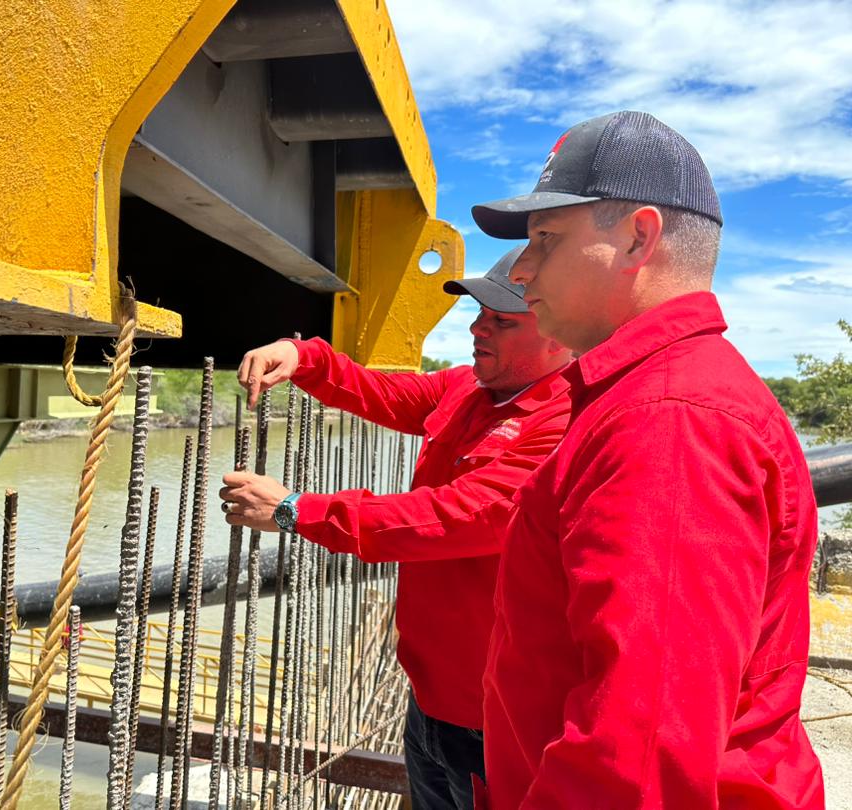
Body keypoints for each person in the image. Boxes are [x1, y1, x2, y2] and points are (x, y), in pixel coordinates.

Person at [471, 110, 824, 808]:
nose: (521, 267)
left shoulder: (668, 421)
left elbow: (635, 760)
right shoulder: (650, 394)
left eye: (546, 237)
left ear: (640, 236)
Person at [218, 247, 572, 809]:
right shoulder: (468, 390)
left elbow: (457, 515)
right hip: (431, 695)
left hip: (499, 720)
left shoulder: (565, 423)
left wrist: (297, 510)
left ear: (560, 330)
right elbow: (378, 392)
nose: (478, 327)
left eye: (502, 321)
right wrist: (302, 355)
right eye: (480, 312)